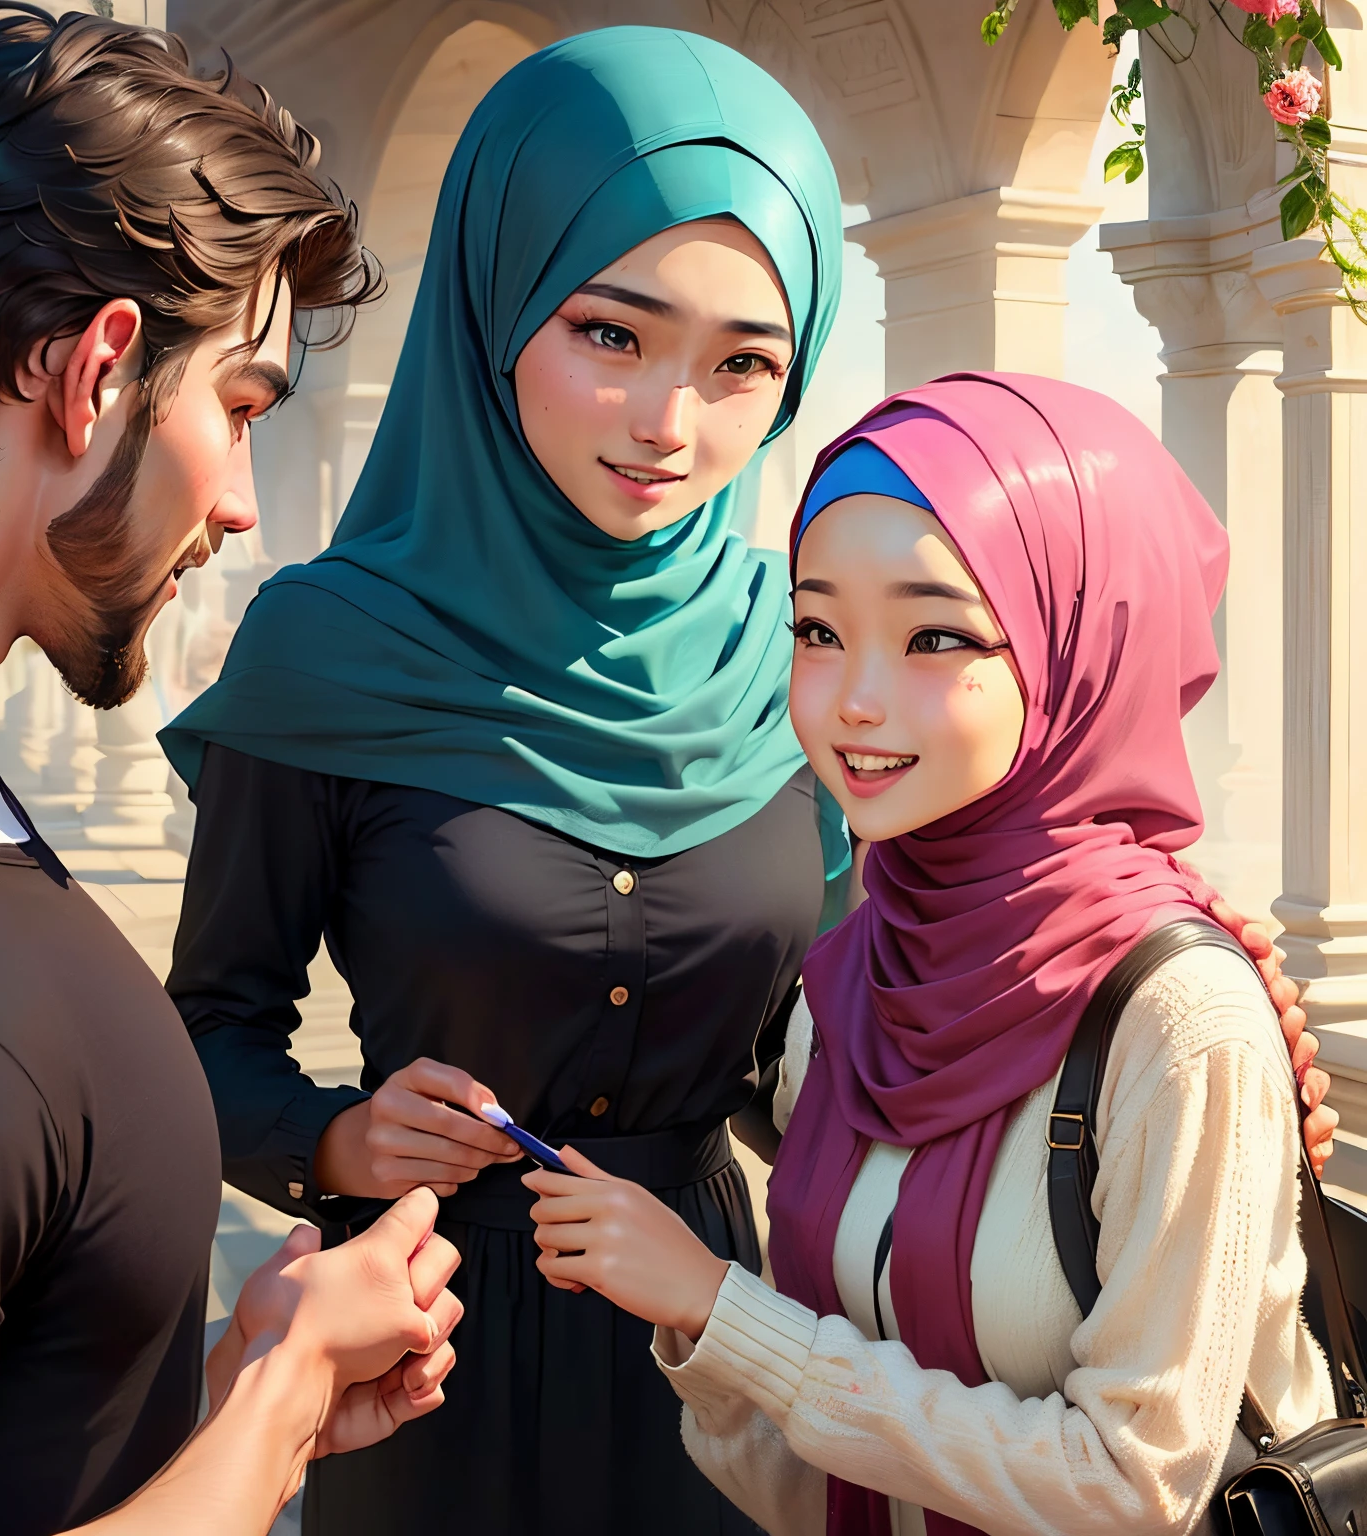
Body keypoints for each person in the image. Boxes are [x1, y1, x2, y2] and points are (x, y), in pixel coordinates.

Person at [159, 28, 1330, 1535]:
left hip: (734, 1357)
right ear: (495, 301)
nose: (669, 424)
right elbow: (208, 1032)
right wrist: (331, 1139)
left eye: (743, 365)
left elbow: (874, 1005)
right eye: (611, 335)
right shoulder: (333, 647)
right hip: (426, 1345)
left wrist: (1160, 981)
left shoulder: (800, 649)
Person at [0, 8, 461, 1533]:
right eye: (237, 410)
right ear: (97, 372)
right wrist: (280, 1400)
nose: (243, 504)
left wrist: (242, 1398)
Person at [523, 374, 1337, 1535]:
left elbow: (1136, 1485)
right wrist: (709, 1332)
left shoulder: (1178, 1017)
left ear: (1077, 653)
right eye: (817, 629)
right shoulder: (853, 984)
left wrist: (728, 1309)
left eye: (934, 636)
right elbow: (813, 1484)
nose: (854, 699)